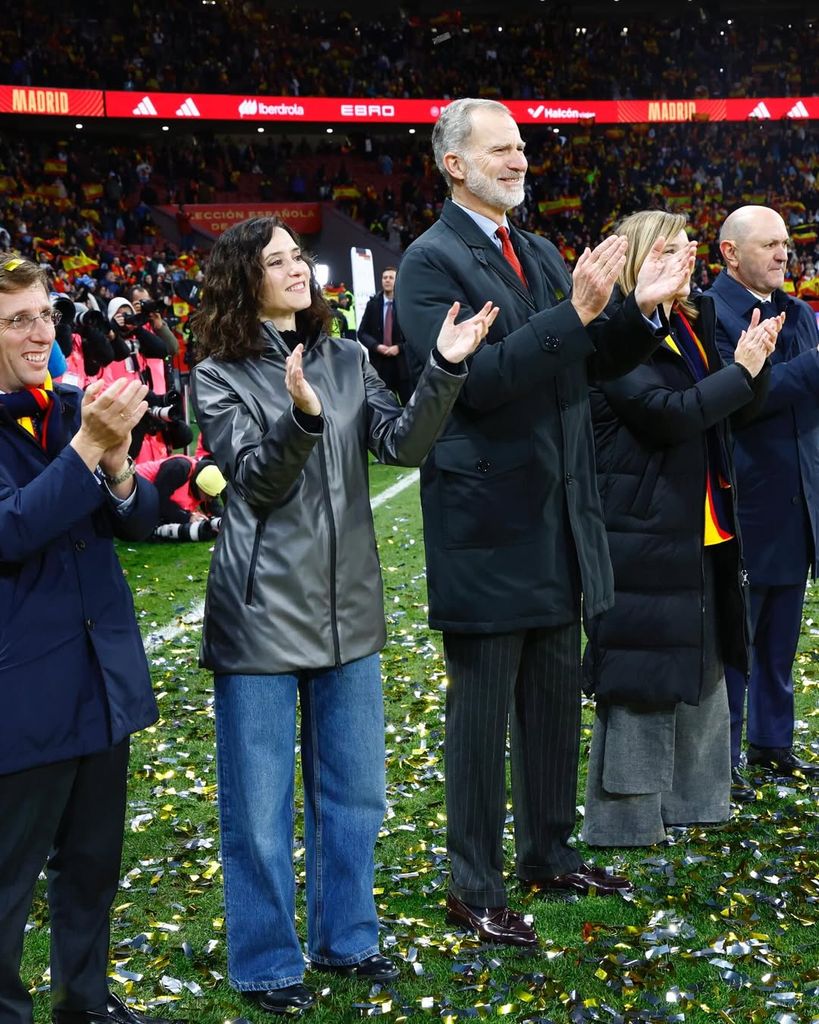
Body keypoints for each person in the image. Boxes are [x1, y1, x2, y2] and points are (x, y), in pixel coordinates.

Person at [394, 98, 696, 947]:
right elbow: (476, 383)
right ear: (453, 163)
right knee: (482, 716)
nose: (519, 159)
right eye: (500, 148)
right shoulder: (427, 263)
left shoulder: (532, 248)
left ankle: (548, 853)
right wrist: (575, 313)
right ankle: (472, 885)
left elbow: (589, 361)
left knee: (554, 703)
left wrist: (636, 310)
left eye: (522, 146)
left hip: (559, 518)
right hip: (487, 525)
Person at [189, 215, 498, 1016]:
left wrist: (445, 370)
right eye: (279, 260)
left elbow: (401, 444)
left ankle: (347, 939)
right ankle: (265, 963)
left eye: (300, 256)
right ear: (242, 279)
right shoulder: (215, 374)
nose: (298, 268)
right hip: (260, 616)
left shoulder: (349, 356)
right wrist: (299, 416)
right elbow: (253, 483)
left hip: (350, 609)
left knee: (355, 795)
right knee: (259, 810)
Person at [0, 255, 180, 1024]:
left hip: (101, 676)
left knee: (93, 865)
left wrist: (113, 470)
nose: (40, 332)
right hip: (21, 688)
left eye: (45, 315)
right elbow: (10, 530)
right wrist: (84, 452)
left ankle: (85, 1001)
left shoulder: (70, 403)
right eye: (17, 320)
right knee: (8, 878)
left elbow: (136, 521)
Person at [579, 210, 778, 845]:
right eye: (668, 249)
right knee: (642, 676)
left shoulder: (691, 322)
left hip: (703, 523)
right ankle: (625, 821)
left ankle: (696, 802)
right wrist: (741, 371)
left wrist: (755, 363)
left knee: (705, 666)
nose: (685, 258)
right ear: (637, 259)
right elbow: (665, 416)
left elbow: (734, 407)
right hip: (642, 525)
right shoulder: (613, 333)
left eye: (688, 247)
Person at [708, 205, 819, 792]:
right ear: (730, 252)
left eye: (786, 244)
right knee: (736, 641)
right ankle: (722, 758)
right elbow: (742, 400)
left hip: (798, 503)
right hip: (741, 503)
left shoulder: (799, 313)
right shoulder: (710, 312)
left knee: (780, 637)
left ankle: (772, 742)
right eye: (770, 244)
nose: (784, 254)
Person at [357, 266, 412, 404]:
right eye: (384, 277)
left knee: (409, 405)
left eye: (391, 277)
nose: (387, 280)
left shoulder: (405, 304)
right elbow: (362, 332)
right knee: (385, 406)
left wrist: (399, 347)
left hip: (402, 365)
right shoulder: (373, 304)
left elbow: (414, 335)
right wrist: (376, 346)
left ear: (397, 280)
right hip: (380, 365)